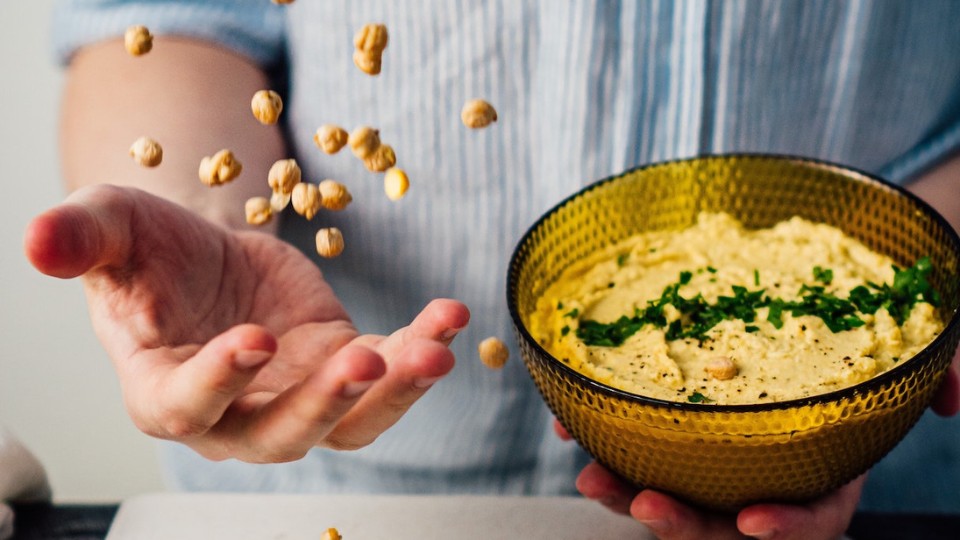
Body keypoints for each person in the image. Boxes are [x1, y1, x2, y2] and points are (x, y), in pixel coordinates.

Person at [25, 1, 960, 538]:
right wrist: (213, 225)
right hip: (336, 484)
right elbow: (156, 19)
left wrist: (929, 271)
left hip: (879, 478)